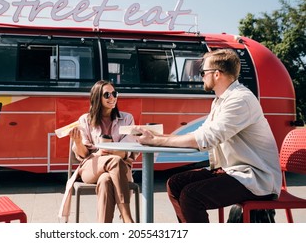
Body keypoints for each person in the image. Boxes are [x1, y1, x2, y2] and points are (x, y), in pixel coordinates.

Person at [135, 49, 282, 223]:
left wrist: (157, 141)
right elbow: (201, 133)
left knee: (191, 196)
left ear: (217, 74)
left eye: (203, 72)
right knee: (175, 184)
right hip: (233, 171)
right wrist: (156, 137)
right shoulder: (221, 100)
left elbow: (207, 138)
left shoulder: (240, 100)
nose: (201, 76)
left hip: (254, 177)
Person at [60, 80, 138, 223]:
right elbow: (83, 155)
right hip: (92, 167)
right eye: (106, 95)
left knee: (106, 180)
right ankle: (127, 217)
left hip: (120, 169)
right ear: (97, 98)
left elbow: (131, 149)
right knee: (114, 161)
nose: (112, 98)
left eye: (114, 93)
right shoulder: (85, 120)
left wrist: (111, 152)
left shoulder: (127, 118)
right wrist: (77, 142)